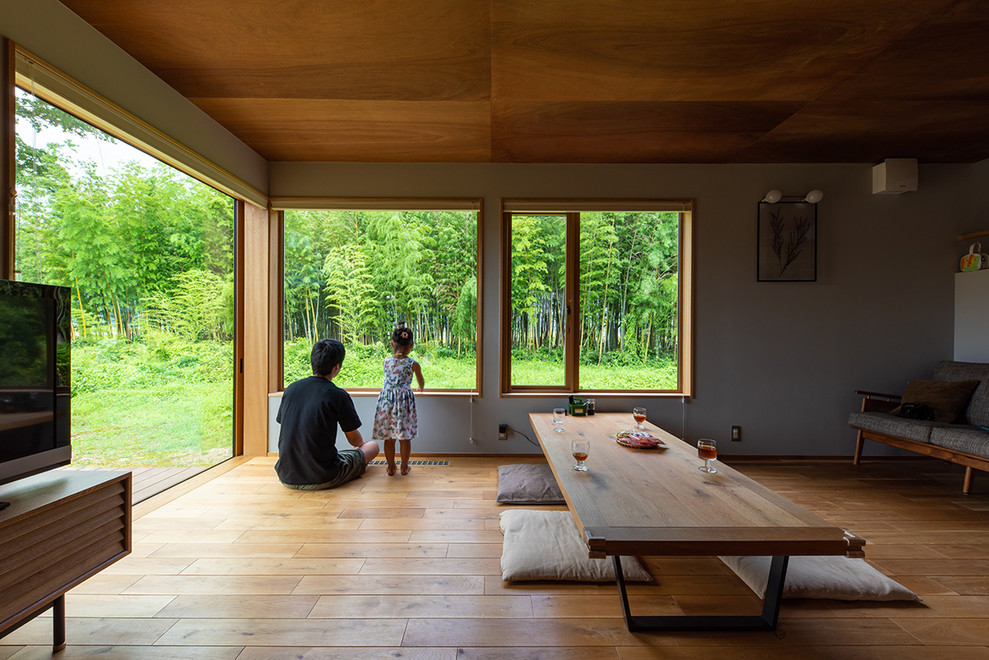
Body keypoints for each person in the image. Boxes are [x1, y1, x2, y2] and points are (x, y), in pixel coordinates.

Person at [275, 339, 379, 489]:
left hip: (286, 475)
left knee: (343, 454)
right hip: (323, 476)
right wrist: (361, 447)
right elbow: (355, 440)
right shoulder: (337, 395)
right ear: (337, 367)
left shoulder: (291, 389)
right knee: (372, 446)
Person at [372, 322, 425, 476]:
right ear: (412, 345)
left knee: (389, 436)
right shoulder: (413, 364)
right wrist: (420, 389)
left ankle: (390, 467)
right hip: (404, 402)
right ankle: (404, 467)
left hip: (387, 400)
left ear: (391, 344)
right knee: (405, 436)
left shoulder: (386, 362)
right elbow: (421, 383)